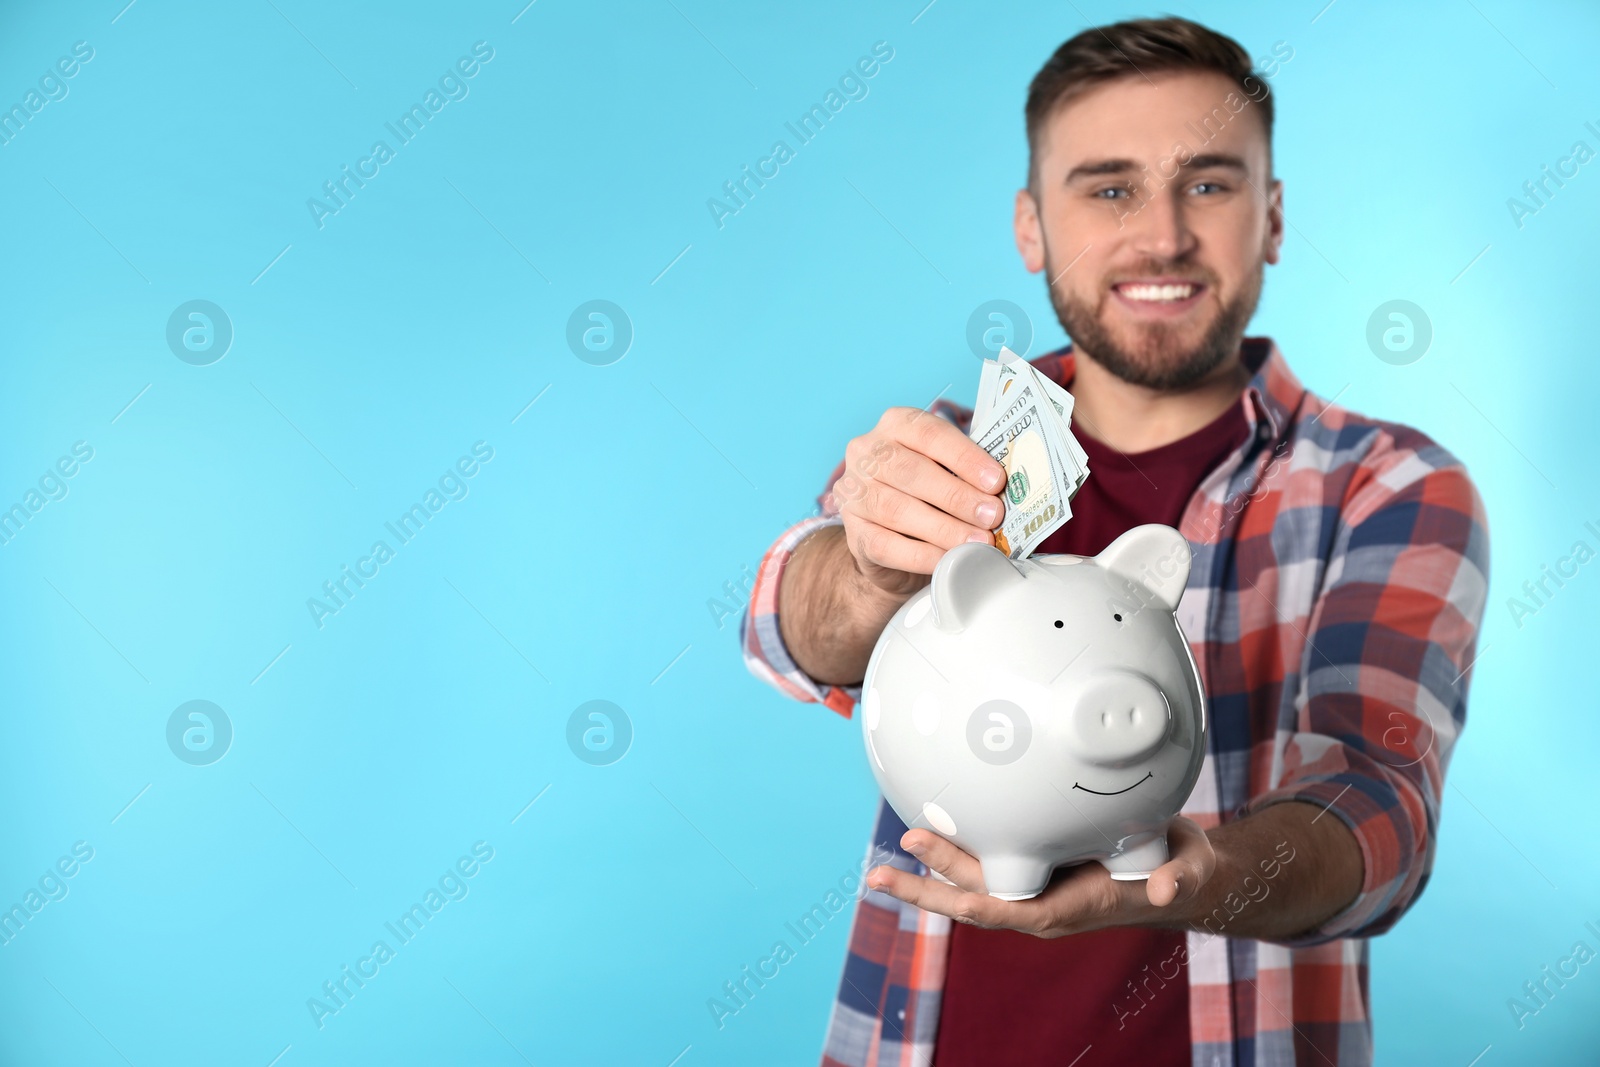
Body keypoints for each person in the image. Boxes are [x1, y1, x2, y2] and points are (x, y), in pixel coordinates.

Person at [739, 15, 1489, 1067]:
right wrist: (866, 569)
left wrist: (1193, 877)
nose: (1163, 236)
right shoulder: (938, 457)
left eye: (1210, 184)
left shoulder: (1389, 487)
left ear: (1272, 217)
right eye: (1107, 188)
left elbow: (1378, 808)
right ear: (1029, 228)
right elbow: (783, 631)